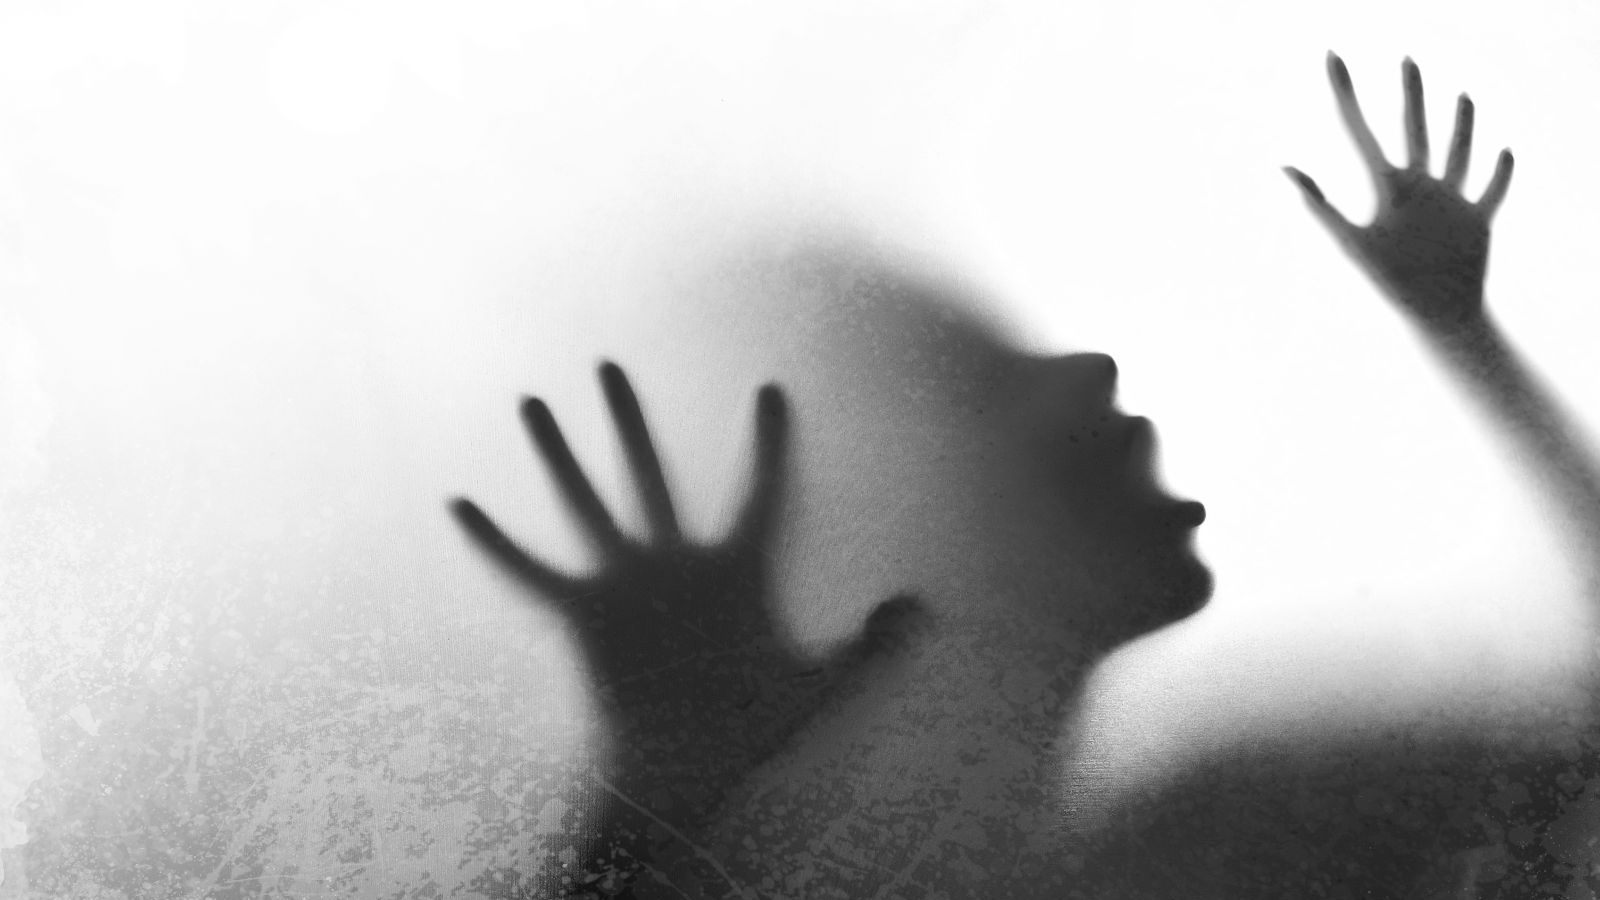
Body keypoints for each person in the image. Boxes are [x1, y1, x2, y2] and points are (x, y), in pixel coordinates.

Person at [449, 53, 1597, 898]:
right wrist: (653, 803)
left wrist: (1465, 336)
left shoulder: (1233, 807)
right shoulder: (1193, 838)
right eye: (989, 383)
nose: (1091, 368)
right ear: (883, 537)